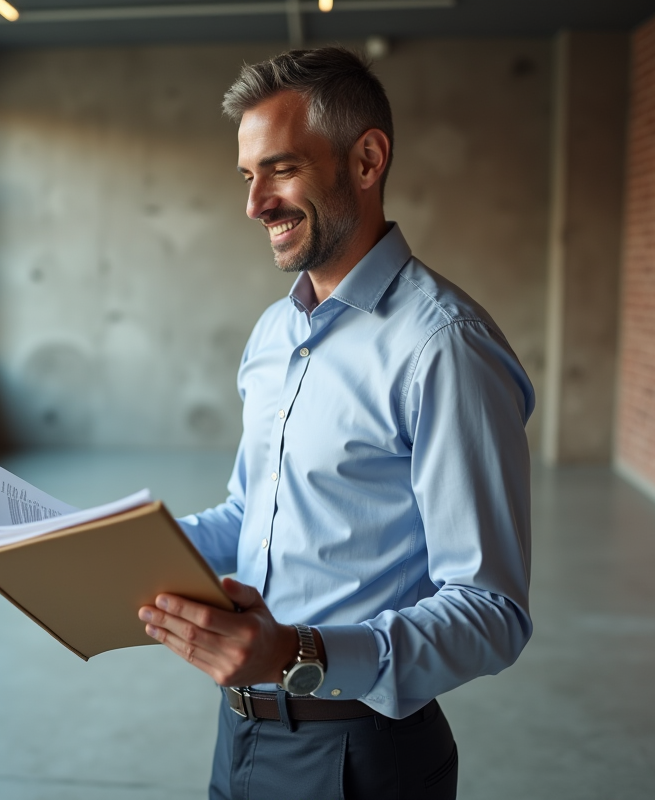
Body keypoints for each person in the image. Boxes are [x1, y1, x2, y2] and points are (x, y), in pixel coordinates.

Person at [136, 47, 535, 799]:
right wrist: (115, 549)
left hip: (359, 754)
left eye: (281, 170)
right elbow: (252, 513)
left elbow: (491, 613)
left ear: (367, 160)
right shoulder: (274, 333)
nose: (256, 205)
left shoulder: (444, 347)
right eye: (248, 177)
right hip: (240, 731)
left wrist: (295, 653)